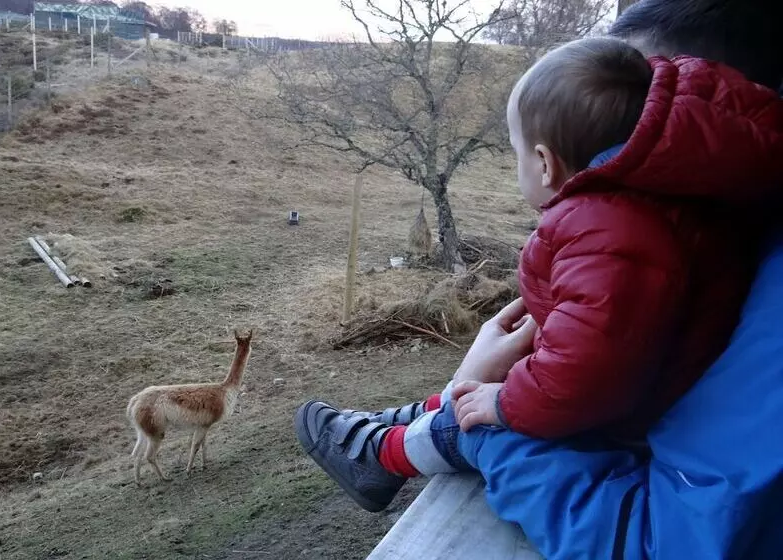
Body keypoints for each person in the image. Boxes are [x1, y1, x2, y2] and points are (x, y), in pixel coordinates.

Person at [297, 1, 783, 557]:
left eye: (517, 152)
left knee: (470, 418)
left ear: (547, 163)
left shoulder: (611, 222)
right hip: (635, 388)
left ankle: (383, 454)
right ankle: (399, 424)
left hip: (621, 411)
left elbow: (586, 373)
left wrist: (500, 407)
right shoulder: (689, 206)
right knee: (478, 397)